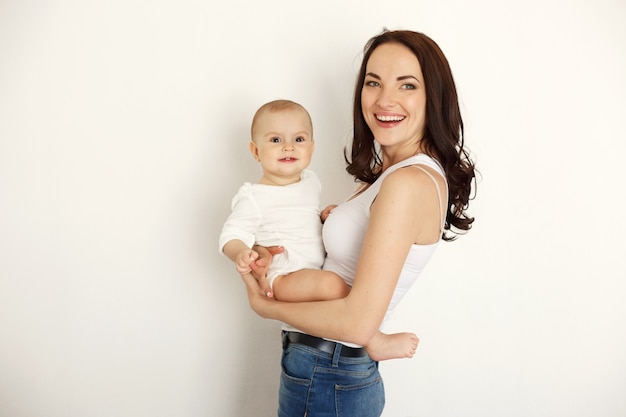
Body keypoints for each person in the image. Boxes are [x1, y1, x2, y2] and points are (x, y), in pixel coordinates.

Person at [239, 30, 477, 417]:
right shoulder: (393, 174)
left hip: (329, 370)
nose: (385, 99)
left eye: (407, 85)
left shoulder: (406, 182)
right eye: (373, 82)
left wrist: (267, 308)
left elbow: (355, 323)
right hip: (327, 370)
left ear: (434, 97)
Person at [219, 99, 419, 362]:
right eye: (276, 140)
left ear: (312, 148)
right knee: (336, 286)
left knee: (343, 287)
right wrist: (242, 252)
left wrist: (324, 215)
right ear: (255, 151)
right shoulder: (254, 196)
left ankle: (360, 332)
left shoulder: (310, 182)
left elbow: (301, 216)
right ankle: (375, 340)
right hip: (285, 277)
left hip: (310, 272)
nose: (289, 146)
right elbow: (230, 234)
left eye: (299, 139)